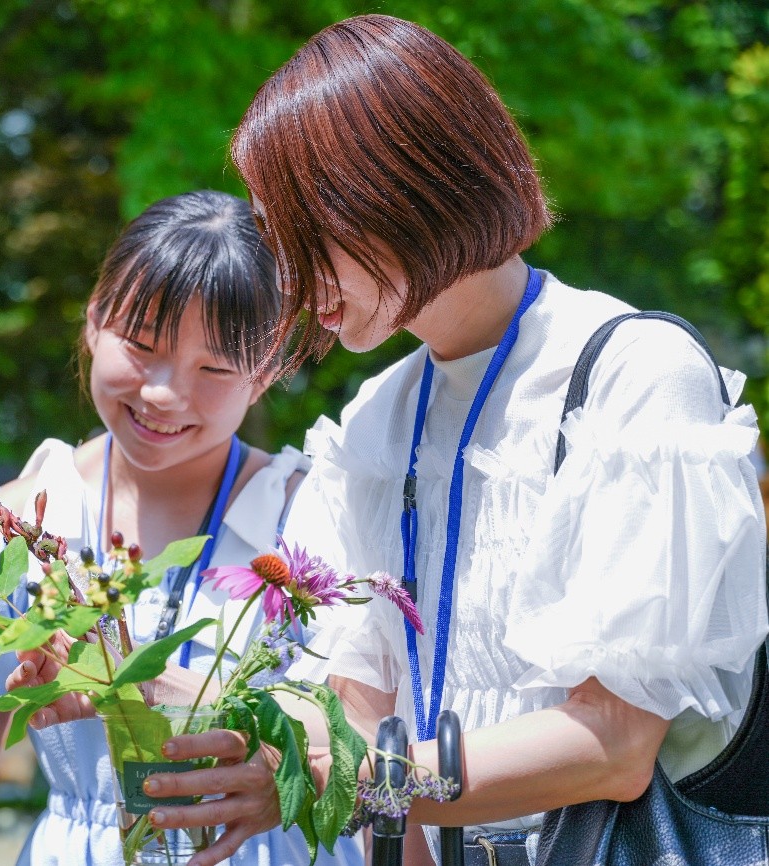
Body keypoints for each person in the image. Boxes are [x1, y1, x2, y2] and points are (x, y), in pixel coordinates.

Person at [142, 14, 768, 865]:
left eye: (305, 233)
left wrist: (352, 780)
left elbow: (613, 746)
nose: (285, 276)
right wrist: (174, 700)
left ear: (400, 188)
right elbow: (354, 709)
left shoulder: (631, 372)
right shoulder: (374, 421)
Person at [0, 190, 360, 866]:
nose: (165, 392)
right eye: (142, 345)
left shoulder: (317, 522)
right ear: (92, 322)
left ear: (264, 375)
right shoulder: (9, 525)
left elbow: (366, 741)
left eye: (215, 367)